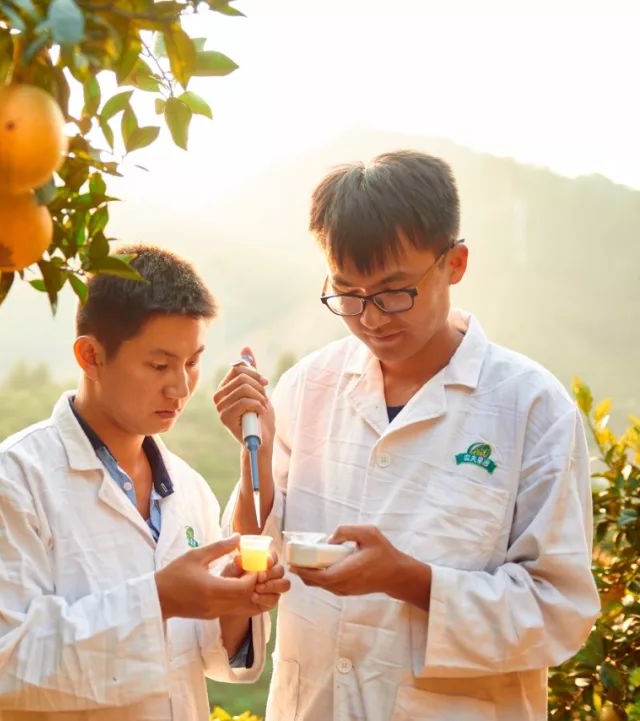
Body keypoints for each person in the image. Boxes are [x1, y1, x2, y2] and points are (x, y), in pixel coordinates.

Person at [213, 150, 600, 721]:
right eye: (347, 294)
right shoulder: (307, 387)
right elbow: (247, 563)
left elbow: (560, 609)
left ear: (456, 263)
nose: (371, 318)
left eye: (395, 291)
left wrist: (412, 581)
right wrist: (259, 461)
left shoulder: (530, 407)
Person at [0, 244, 289, 721]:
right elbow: (5, 665)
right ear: (91, 355)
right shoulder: (10, 484)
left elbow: (212, 656)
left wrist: (236, 599)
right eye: (158, 365)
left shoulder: (186, 489)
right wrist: (159, 598)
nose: (180, 387)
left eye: (192, 362)